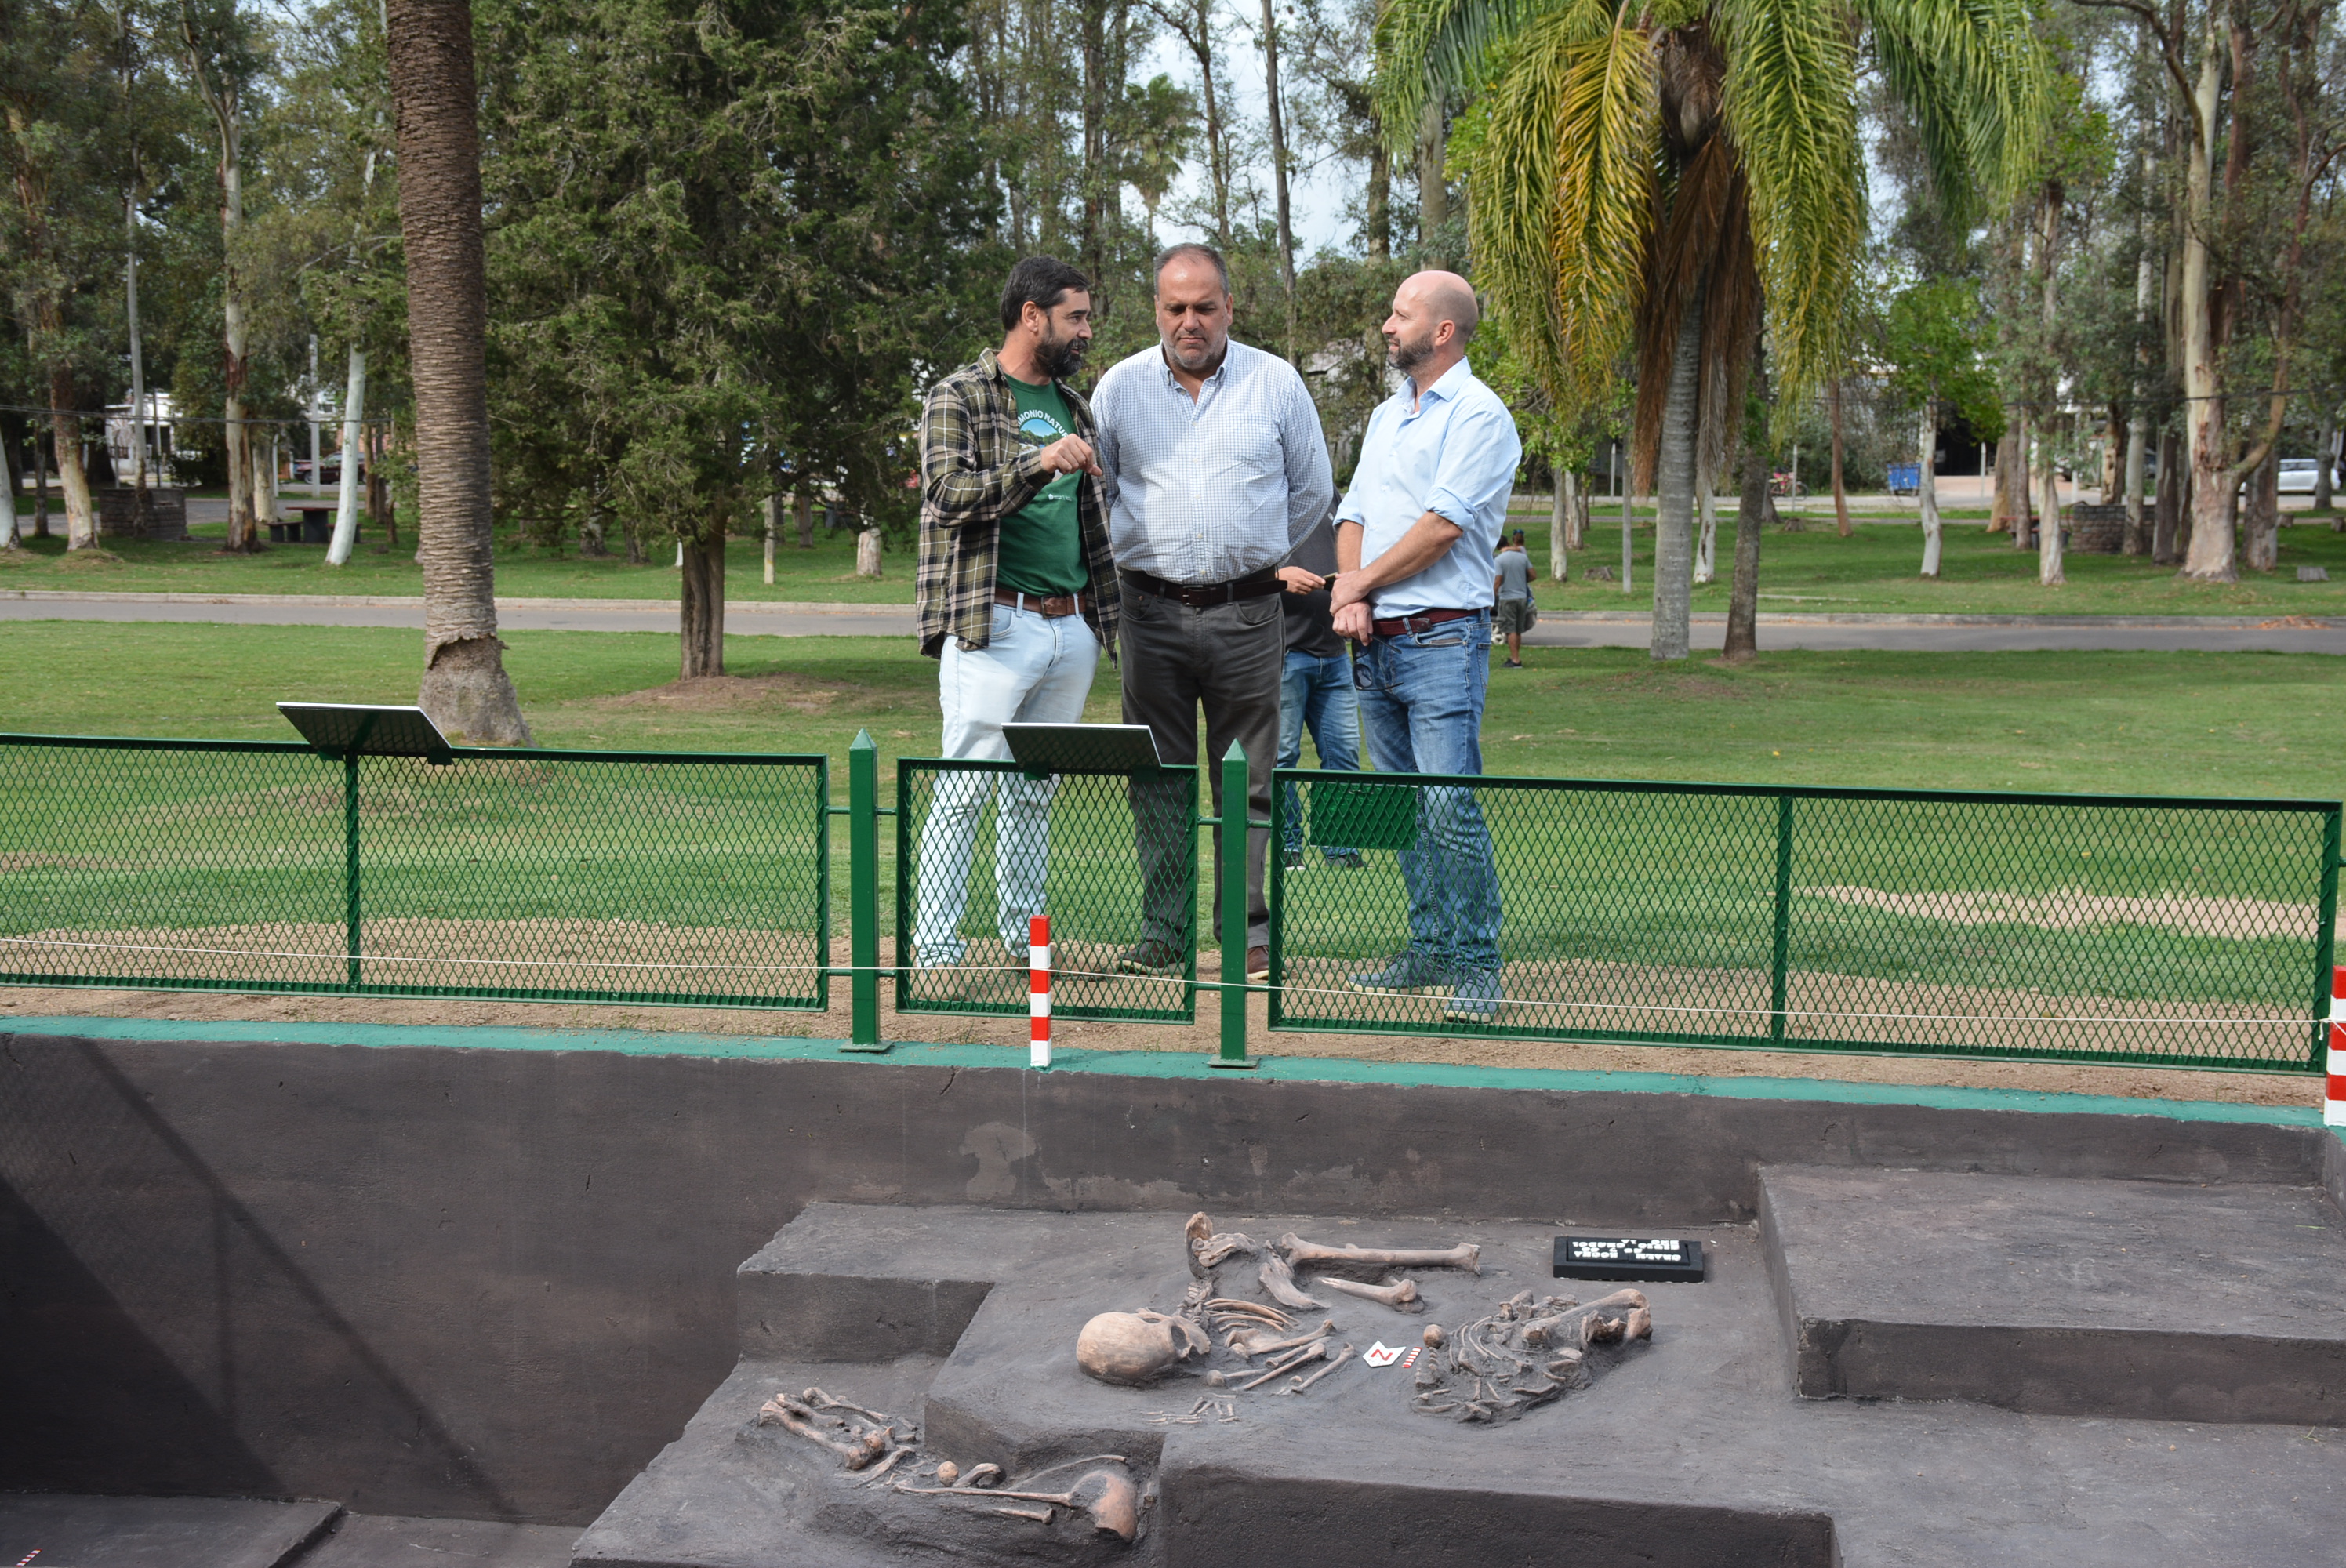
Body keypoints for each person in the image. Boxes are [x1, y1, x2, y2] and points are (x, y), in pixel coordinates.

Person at [1091, 243, 1335, 980]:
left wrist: (1251, 555)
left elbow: (1312, 490)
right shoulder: (1119, 387)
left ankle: (1248, 938)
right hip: (1150, 612)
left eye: (1204, 307)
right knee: (1158, 775)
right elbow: (1098, 496)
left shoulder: (1277, 382)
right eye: (1175, 308)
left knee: (1250, 781)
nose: (1189, 322)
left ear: (1230, 306)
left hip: (1249, 615)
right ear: (1156, 311)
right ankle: (1163, 936)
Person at [908, 256, 1121, 972]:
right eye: (1076, 317)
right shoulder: (959, 395)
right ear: (1033, 316)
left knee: (1035, 791)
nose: (1086, 330)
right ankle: (935, 948)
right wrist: (1037, 464)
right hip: (995, 623)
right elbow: (945, 494)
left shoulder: (1075, 403)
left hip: (1071, 625)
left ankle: (1024, 942)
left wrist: (1095, 618)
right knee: (966, 786)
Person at [1328, 270, 1521, 1022]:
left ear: (1442, 332)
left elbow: (1442, 528)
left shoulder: (1479, 415)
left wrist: (1356, 588)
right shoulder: (1385, 417)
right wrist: (1355, 596)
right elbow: (1353, 515)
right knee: (1405, 808)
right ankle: (1430, 946)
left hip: (1444, 637)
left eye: (1400, 315)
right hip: (1376, 639)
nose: (1386, 325)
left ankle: (1477, 963)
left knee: (1447, 805)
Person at [1274, 511, 1364, 869]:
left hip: (1335, 652)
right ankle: (1288, 845)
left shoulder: (1333, 498)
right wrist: (1276, 579)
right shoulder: (1263, 491)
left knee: (1343, 757)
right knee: (1281, 758)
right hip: (1283, 654)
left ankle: (1340, 849)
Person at [1494, 529, 1535, 667]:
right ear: (1508, 543)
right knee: (1518, 629)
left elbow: (1498, 580)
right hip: (1522, 597)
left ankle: (1515, 660)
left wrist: (1492, 596)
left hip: (1508, 598)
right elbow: (1533, 575)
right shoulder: (1522, 557)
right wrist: (1521, 582)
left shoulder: (1499, 560)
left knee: (1510, 629)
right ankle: (1516, 657)